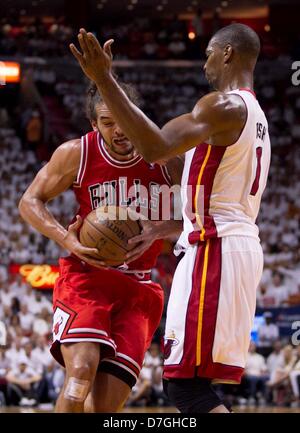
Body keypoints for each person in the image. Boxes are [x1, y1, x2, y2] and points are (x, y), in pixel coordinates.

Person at [70, 23, 271, 413]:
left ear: (227, 53)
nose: (206, 63)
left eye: (209, 53)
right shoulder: (256, 115)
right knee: (188, 385)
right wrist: (169, 226)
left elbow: (153, 145)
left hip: (217, 250)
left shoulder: (222, 106)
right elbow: (220, 197)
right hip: (226, 243)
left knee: (185, 388)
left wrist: (103, 79)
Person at [19, 82, 183, 413]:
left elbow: (205, 215)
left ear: (136, 116)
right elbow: (29, 201)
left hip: (138, 287)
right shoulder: (77, 153)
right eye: (108, 122)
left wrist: (159, 230)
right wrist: (65, 237)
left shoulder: (169, 159)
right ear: (94, 124)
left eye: (124, 118)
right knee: (79, 375)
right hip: (87, 277)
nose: (119, 129)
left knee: (106, 407)